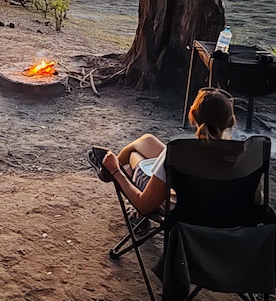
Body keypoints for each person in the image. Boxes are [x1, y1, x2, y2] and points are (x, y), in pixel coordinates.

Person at [101, 87, 236, 216]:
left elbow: (144, 205)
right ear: (231, 121)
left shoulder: (176, 152)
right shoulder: (244, 155)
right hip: (218, 211)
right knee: (147, 140)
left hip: (181, 208)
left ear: (192, 115)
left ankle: (110, 168)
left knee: (133, 157)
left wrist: (117, 173)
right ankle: (111, 166)